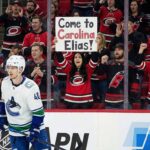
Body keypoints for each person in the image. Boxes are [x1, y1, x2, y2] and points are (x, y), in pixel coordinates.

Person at [0, 55, 50, 150]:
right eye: (8, 67)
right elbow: (3, 101)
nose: (10, 70)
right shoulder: (5, 83)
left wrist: (34, 129)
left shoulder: (31, 87)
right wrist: (2, 117)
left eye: (14, 67)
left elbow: (39, 113)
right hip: (15, 131)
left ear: (21, 69)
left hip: (34, 128)